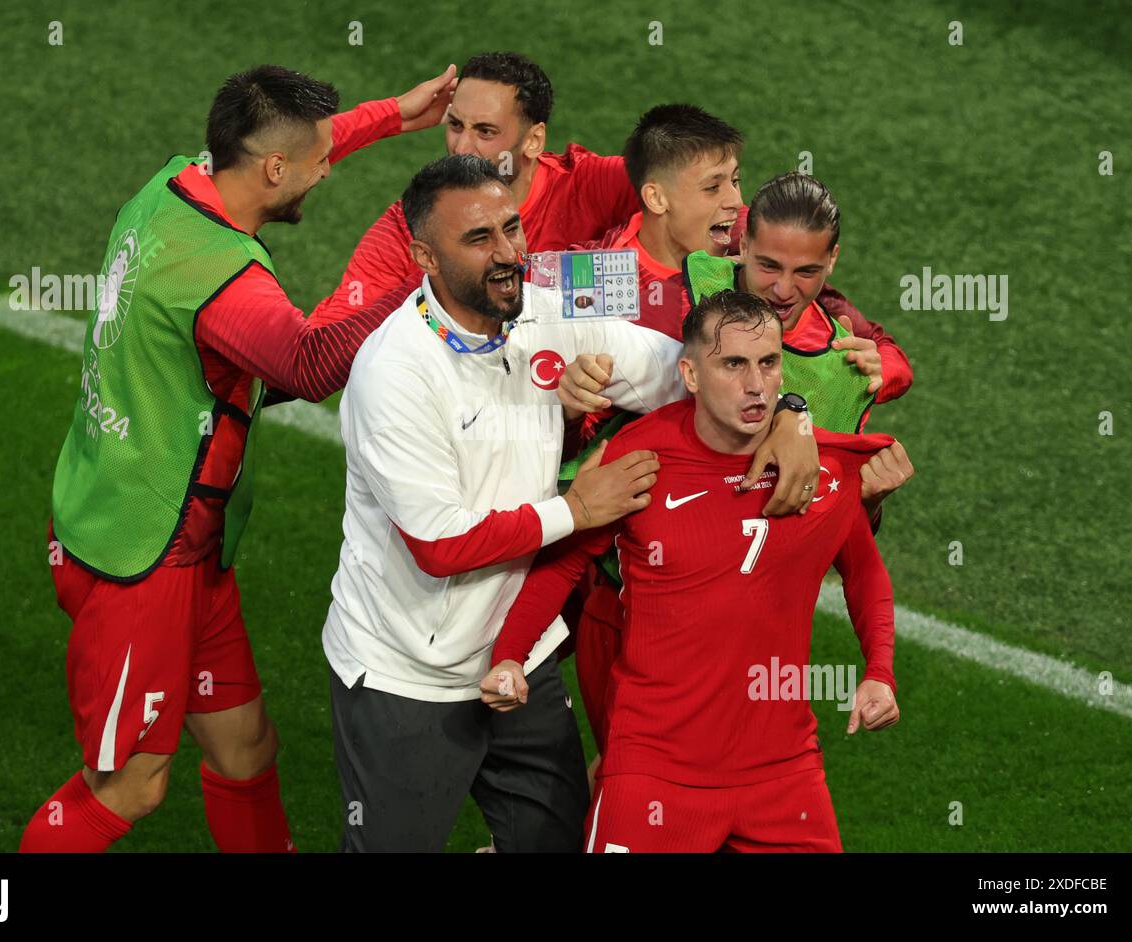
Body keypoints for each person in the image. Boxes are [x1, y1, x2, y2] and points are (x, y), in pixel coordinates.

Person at [322, 155, 820, 852]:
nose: (508, 255)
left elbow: (703, 373)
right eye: (479, 240)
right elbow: (438, 547)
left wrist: (793, 416)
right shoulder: (394, 372)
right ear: (423, 257)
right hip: (410, 677)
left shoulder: (550, 316)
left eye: (512, 228)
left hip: (520, 662)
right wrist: (577, 511)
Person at [21, 63, 459, 853]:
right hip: (142, 561)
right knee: (127, 787)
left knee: (245, 747)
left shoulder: (177, 183)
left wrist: (394, 115)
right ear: (272, 171)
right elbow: (311, 365)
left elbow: (292, 143)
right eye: (317, 162)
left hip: (173, 539)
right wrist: (418, 278)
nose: (327, 170)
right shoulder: (223, 282)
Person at [482, 290, 902, 852]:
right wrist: (508, 654)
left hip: (783, 773)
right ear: (691, 374)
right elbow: (567, 562)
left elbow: (864, 571)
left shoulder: (819, 469)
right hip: (652, 771)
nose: (756, 385)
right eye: (733, 364)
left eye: (768, 363)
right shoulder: (640, 457)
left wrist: (879, 669)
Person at [560, 109, 914, 753]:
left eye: (736, 182)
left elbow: (844, 528)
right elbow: (527, 348)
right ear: (659, 199)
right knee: (626, 771)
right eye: (716, 186)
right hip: (609, 574)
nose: (733, 201)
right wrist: (562, 396)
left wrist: (883, 376)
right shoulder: (607, 281)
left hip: (740, 623)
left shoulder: (806, 326)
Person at [310, 51, 643, 325]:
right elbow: (315, 352)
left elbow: (687, 191)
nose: (462, 148)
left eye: (485, 132)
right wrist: (389, 115)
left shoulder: (593, 183)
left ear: (533, 140)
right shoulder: (412, 223)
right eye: (455, 125)